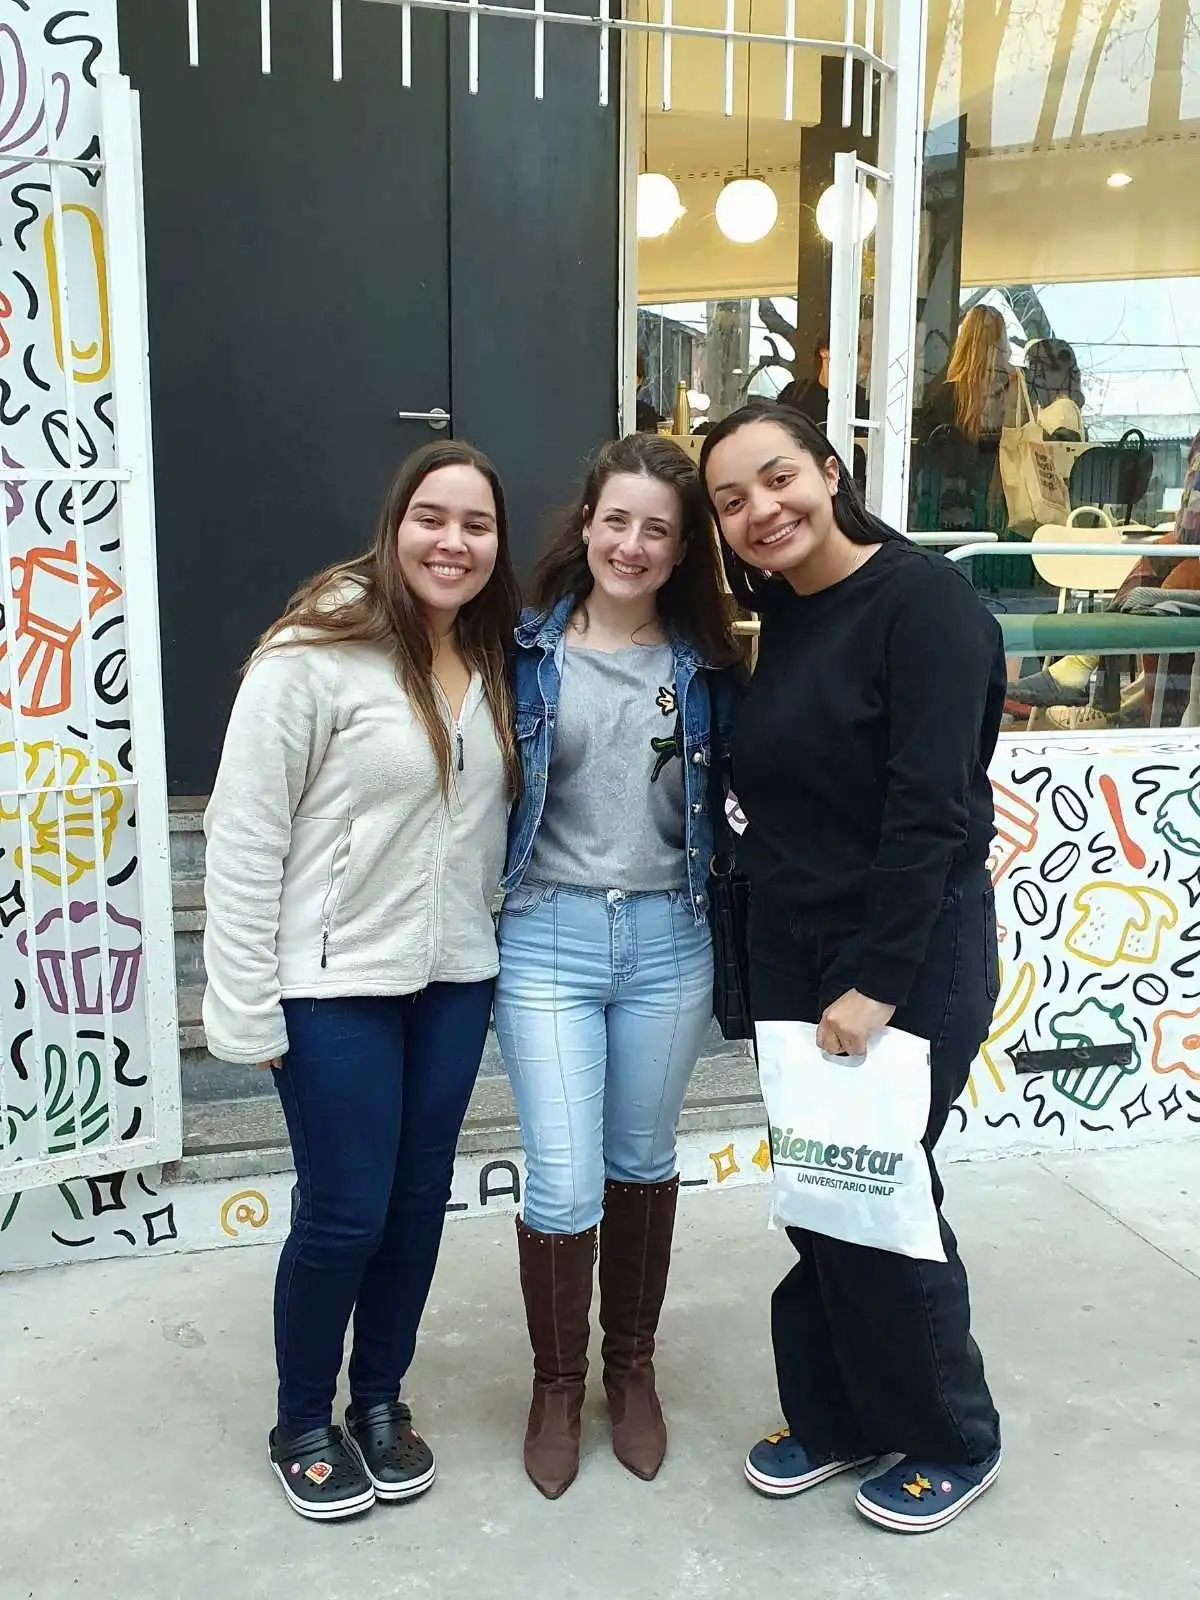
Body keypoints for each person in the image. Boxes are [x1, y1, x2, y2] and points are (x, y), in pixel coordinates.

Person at [699, 399, 1005, 1534]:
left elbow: (933, 810)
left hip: (903, 950)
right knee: (823, 1195)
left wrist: (875, 981)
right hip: (793, 948)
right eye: (732, 500)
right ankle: (834, 1414)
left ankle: (950, 1434)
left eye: (778, 478)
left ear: (831, 471)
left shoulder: (926, 605)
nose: (761, 510)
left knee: (884, 1191)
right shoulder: (778, 611)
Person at [202, 441, 520, 1522]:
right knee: (345, 1212)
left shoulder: (496, 655)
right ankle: (302, 1420)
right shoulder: (316, 651)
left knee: (417, 1204)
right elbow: (246, 831)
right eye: (433, 517)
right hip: (333, 984)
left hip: (454, 980)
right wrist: (246, 1003)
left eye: (477, 524)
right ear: (395, 524)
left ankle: (379, 1399)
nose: (453, 542)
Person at [494, 432, 744, 1499]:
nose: (632, 545)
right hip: (544, 937)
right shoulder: (521, 651)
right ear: (586, 525)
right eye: (617, 521)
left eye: (658, 530)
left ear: (683, 548)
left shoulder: (711, 668)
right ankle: (557, 1386)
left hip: (667, 939)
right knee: (561, 1175)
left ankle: (630, 1370)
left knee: (641, 1158)